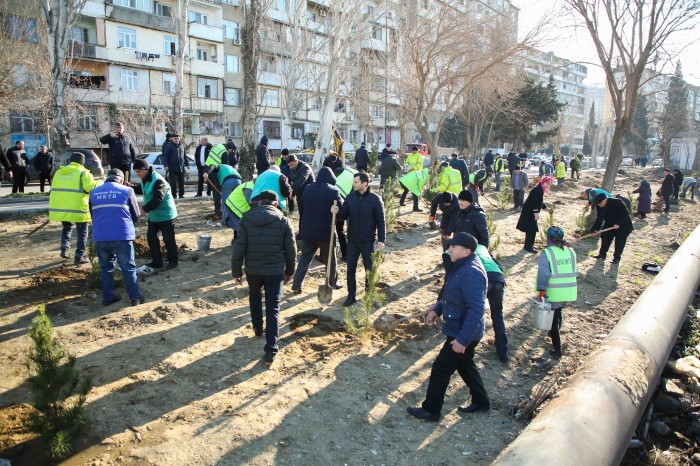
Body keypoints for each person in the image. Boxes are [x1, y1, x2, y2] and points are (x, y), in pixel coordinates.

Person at [406, 232, 489, 421]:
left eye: (453, 247)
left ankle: (431, 410)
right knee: (465, 364)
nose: (448, 249)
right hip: (460, 328)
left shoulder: (472, 273)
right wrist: (437, 309)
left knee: (441, 368)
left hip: (463, 332)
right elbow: (452, 296)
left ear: (466, 251)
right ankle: (481, 400)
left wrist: (462, 339)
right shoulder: (459, 267)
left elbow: (476, 309)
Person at [231, 190, 296, 366]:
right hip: (275, 271)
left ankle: (257, 328)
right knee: (273, 308)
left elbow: (239, 247)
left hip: (253, 269)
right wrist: (290, 271)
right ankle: (270, 350)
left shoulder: (246, 219)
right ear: (275, 204)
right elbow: (291, 249)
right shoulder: (283, 220)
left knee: (254, 297)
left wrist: (236, 271)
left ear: (259, 202)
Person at [89, 169, 145, 307]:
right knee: (128, 267)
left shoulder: (94, 192)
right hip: (122, 235)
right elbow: (136, 215)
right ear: (121, 180)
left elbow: (93, 214)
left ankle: (108, 297)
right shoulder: (127, 190)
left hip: (101, 236)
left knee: (106, 268)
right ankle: (135, 297)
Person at [331, 172, 385, 307]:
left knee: (369, 269)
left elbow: (381, 221)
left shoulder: (375, 199)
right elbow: (343, 216)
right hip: (353, 241)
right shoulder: (350, 198)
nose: (353, 184)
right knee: (350, 269)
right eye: (353, 182)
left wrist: (381, 240)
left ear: (365, 184)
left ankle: (368, 293)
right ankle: (351, 295)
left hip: (368, 241)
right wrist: (336, 212)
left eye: (356, 182)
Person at [292, 167, 344, 293]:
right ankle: (332, 282)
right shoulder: (333, 191)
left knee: (305, 258)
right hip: (325, 232)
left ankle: (296, 284)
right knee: (330, 259)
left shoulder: (308, 188)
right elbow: (341, 211)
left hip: (307, 231)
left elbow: (303, 207)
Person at [48, 152, 100, 264]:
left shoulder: (59, 172)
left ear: (70, 161)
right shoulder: (84, 173)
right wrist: (99, 182)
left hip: (62, 206)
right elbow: (90, 188)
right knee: (82, 231)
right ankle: (79, 256)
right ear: (83, 162)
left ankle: (64, 248)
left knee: (67, 227)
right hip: (78, 208)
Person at [536, 226, 577, 358]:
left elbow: (543, 273)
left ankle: (557, 349)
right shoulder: (570, 251)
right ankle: (554, 334)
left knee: (551, 321)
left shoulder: (547, 253)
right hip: (568, 290)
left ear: (548, 238)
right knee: (558, 311)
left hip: (554, 291)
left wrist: (541, 290)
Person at [133, 159, 179, 270]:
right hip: (154, 216)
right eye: (136, 172)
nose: (137, 174)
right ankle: (157, 261)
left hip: (166, 215)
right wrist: (131, 187)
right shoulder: (145, 179)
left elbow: (158, 199)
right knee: (151, 238)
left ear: (146, 169)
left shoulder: (158, 181)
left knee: (168, 239)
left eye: (139, 171)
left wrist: (144, 209)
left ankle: (173, 261)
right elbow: (143, 190)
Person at [473, 244, 508, 363]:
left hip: (482, 278)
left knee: (474, 312)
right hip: (498, 277)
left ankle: (468, 346)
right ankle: (503, 353)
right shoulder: (482, 247)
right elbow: (497, 264)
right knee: (497, 314)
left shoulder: (462, 249)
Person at [591, 193, 634, 264]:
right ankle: (602, 254)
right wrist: (594, 229)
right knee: (605, 237)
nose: (599, 206)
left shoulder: (617, 202)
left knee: (619, 242)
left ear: (605, 200)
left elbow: (626, 214)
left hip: (623, 224)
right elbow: (599, 218)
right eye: (598, 204)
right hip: (610, 223)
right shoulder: (599, 206)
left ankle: (616, 258)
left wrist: (618, 224)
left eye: (600, 204)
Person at [516, 176, 553, 253]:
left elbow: (540, 202)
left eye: (550, 184)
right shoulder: (538, 189)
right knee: (531, 230)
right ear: (544, 182)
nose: (548, 185)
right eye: (547, 183)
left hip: (531, 211)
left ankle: (530, 245)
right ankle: (528, 246)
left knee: (532, 229)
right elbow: (535, 203)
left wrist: (546, 209)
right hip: (530, 212)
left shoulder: (541, 188)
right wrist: (536, 213)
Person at [288, 154, 315, 220]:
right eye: (289, 165)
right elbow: (294, 181)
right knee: (301, 214)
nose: (291, 167)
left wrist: (289, 189)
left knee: (308, 215)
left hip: (308, 194)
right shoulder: (293, 168)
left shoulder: (305, 167)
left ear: (296, 161)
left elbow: (301, 180)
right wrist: (293, 194)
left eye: (292, 164)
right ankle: (302, 229)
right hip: (299, 194)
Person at [399, 146, 425, 212]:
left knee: (410, 190)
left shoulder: (419, 156)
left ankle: (403, 202)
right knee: (410, 190)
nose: (414, 151)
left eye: (415, 150)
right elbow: (406, 163)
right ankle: (413, 206)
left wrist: (412, 168)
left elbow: (419, 165)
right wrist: (406, 168)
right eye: (413, 150)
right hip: (410, 174)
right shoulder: (410, 156)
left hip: (416, 174)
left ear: (417, 150)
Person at [163, 134, 188, 199]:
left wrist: (187, 164)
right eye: (175, 138)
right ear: (172, 139)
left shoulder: (182, 146)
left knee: (181, 182)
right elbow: (165, 156)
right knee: (173, 183)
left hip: (181, 167)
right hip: (172, 167)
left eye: (178, 138)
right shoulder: (169, 146)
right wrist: (166, 165)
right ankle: (174, 195)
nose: (177, 140)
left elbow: (184, 156)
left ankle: (181, 195)